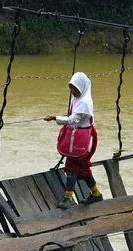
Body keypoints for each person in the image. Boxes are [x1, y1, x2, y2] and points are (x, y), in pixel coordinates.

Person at [44, 72, 103, 209]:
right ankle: (96, 194)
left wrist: (54, 118)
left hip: (80, 140)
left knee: (71, 168)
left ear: (82, 87)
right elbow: (72, 116)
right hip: (77, 138)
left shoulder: (84, 102)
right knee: (83, 168)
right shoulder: (77, 99)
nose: (72, 91)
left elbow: (73, 119)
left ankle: (67, 197)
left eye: (75, 89)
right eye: (71, 88)